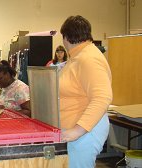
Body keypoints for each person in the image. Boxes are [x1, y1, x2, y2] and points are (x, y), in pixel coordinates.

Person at [59, 15, 112, 168]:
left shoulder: (88, 58)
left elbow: (102, 97)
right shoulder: (77, 57)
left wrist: (77, 130)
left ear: (66, 37)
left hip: (85, 132)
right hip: (78, 130)